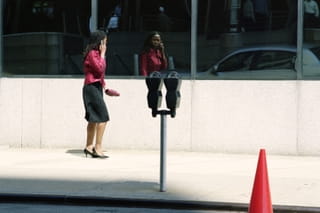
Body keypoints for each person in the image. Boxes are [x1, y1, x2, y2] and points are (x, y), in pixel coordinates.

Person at [82, 30, 120, 159]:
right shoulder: (93, 54)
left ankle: (88, 147)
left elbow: (100, 74)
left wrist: (105, 88)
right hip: (91, 87)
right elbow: (99, 69)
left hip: (95, 87)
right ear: (99, 42)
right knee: (103, 117)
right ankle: (97, 147)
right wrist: (103, 55)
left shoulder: (96, 54)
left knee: (94, 118)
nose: (106, 44)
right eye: (104, 41)